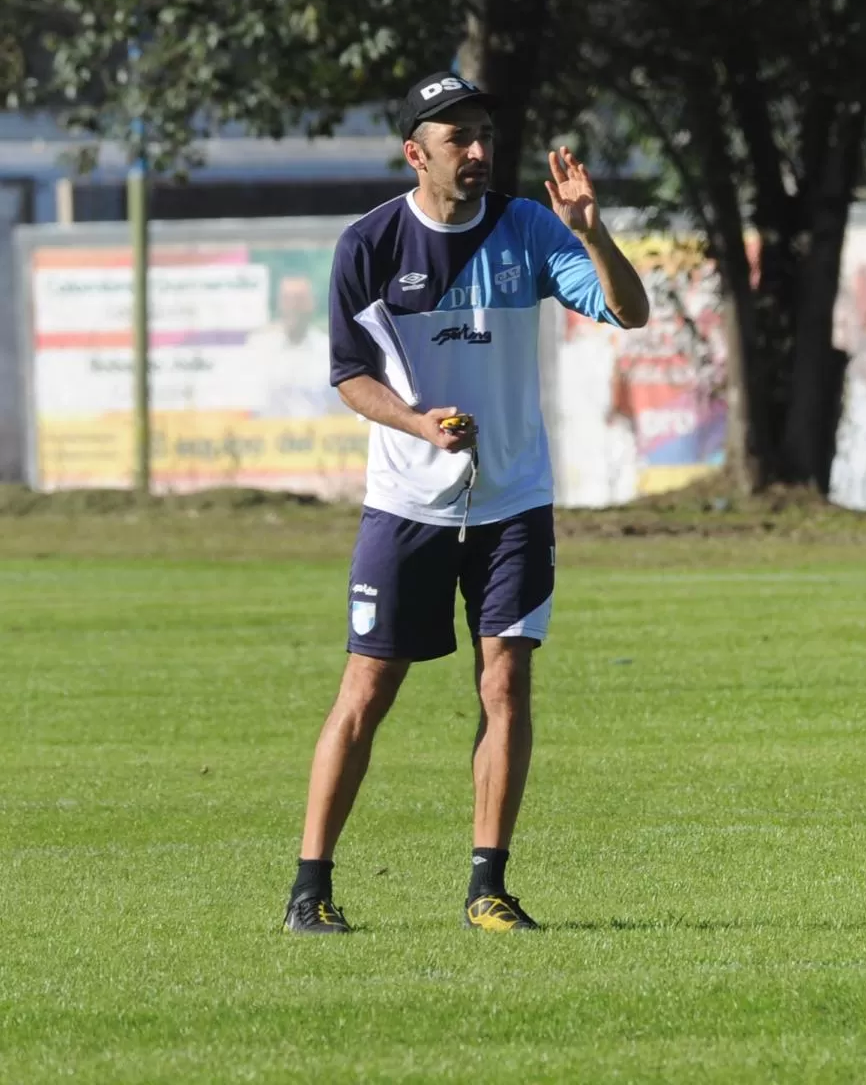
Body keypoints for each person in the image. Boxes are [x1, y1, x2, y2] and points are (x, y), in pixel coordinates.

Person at [282, 70, 649, 935]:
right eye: (460, 140)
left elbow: (628, 311)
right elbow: (348, 377)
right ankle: (310, 889)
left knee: (506, 681)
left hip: (514, 500)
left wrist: (593, 237)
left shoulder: (528, 226)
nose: (480, 152)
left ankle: (488, 887)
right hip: (407, 504)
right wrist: (417, 424)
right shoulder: (369, 245)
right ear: (417, 154)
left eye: (485, 134)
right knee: (368, 690)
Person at [246, 275, 346, 417]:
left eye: (299, 299)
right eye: (287, 299)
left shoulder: (328, 351)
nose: (293, 306)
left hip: (316, 435)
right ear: (279, 303)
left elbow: (339, 406)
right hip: (267, 435)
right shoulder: (258, 348)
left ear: (312, 304)